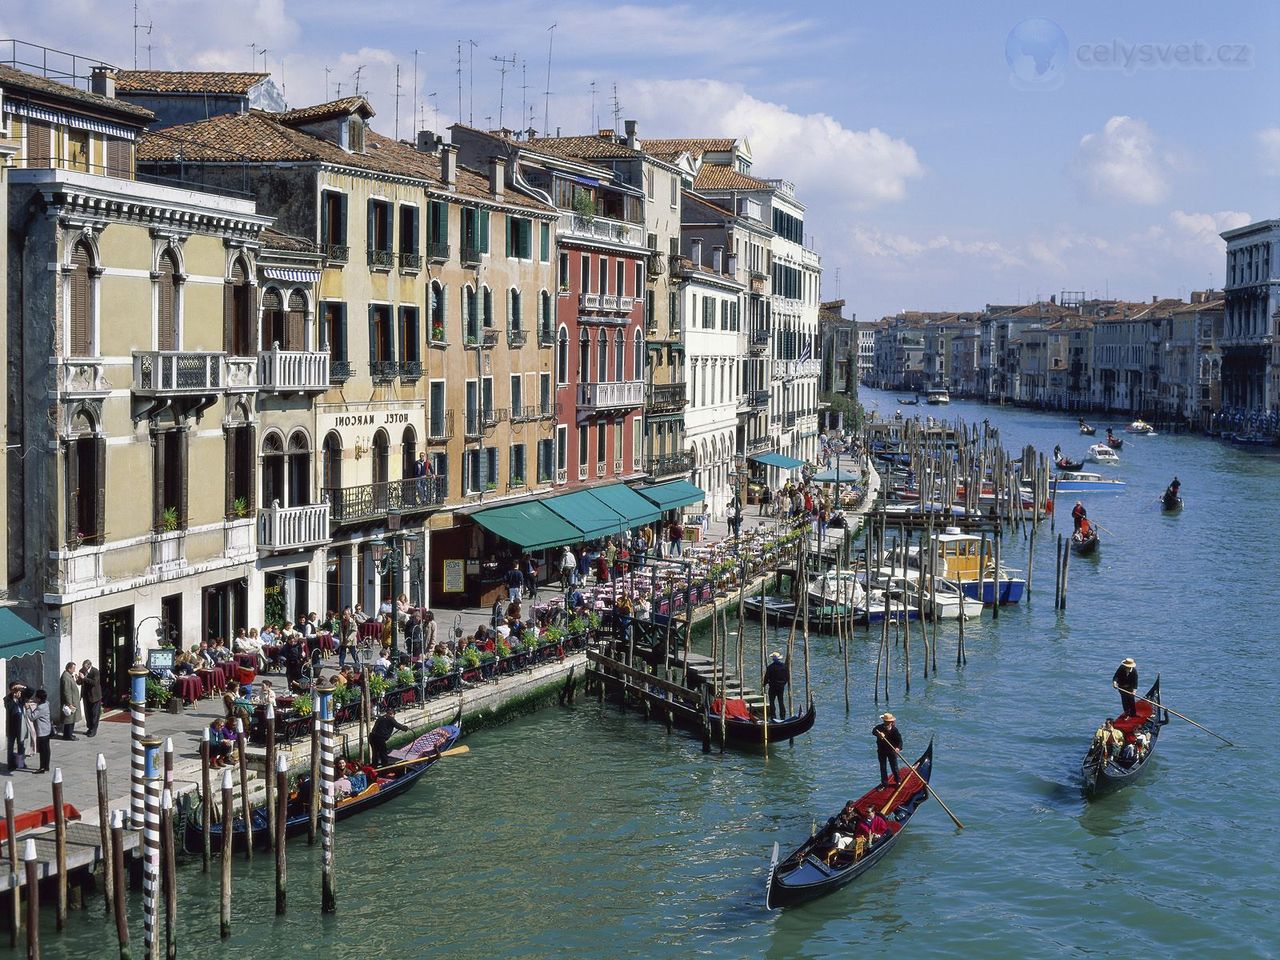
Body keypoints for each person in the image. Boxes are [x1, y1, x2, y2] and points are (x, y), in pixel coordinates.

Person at [873, 712, 903, 787]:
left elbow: (900, 741)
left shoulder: (895, 730)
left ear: (891, 722)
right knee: (883, 767)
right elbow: (873, 731)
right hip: (881, 750)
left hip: (891, 751)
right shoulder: (879, 728)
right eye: (885, 721)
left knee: (894, 767)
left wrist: (898, 748)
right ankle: (884, 783)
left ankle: (898, 781)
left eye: (887, 722)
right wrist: (879, 734)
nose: (885, 723)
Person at [26, 690, 52, 775]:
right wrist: (33, 702)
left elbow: (32, 717)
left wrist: (28, 709)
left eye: (36, 697)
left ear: (39, 699)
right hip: (47, 730)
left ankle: (42, 768)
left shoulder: (41, 707)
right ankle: (46, 766)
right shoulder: (46, 703)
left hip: (42, 731)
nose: (35, 699)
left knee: (43, 750)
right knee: (47, 749)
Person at [77, 659, 103, 737]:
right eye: (83, 667)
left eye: (85, 667)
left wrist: (84, 678)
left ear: (89, 666)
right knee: (87, 713)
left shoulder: (95, 671)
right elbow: (80, 683)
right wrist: (78, 679)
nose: (84, 669)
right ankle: (89, 728)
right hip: (86, 695)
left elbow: (94, 683)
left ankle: (93, 730)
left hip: (95, 696)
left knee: (94, 714)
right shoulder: (82, 670)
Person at [58, 662, 82, 741]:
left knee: (71, 720)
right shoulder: (66, 677)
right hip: (70, 703)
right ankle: (68, 735)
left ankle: (69, 734)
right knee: (69, 720)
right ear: (69, 668)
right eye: (73, 668)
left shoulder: (69, 676)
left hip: (73, 701)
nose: (74, 670)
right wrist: (69, 703)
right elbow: (66, 691)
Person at [763, 652, 789, 721]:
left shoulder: (770, 667)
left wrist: (764, 684)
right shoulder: (784, 666)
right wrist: (783, 683)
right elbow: (787, 677)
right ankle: (782, 717)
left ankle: (773, 717)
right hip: (781, 687)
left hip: (772, 687)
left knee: (772, 702)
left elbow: (766, 678)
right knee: (781, 701)